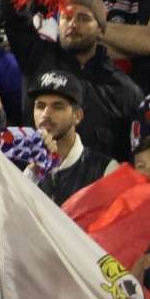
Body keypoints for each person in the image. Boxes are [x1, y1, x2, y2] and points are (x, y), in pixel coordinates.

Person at [30, 69, 117, 201]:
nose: (46, 114)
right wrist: (32, 173)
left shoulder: (105, 170)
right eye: (40, 106)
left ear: (77, 116)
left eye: (57, 106)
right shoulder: (26, 167)